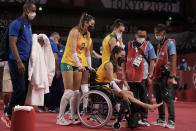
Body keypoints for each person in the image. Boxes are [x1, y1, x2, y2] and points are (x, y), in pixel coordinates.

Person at [1, 2, 36, 128]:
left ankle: (16, 116)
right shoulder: (16, 24)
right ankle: (7, 113)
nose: (34, 13)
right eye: (32, 10)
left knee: (24, 90)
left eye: (35, 11)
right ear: (26, 10)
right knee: (19, 89)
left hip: (25, 61)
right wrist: (19, 62)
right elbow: (12, 44)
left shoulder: (28, 25)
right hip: (16, 61)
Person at [57, 12, 95, 126]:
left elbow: (87, 51)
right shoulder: (75, 31)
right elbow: (73, 50)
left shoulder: (87, 34)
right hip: (68, 62)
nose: (92, 27)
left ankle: (73, 116)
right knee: (68, 91)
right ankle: (60, 117)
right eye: (91, 24)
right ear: (85, 23)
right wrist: (79, 64)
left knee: (76, 92)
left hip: (79, 64)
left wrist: (89, 65)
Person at [96, 46, 162, 111]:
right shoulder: (109, 64)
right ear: (115, 55)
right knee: (126, 94)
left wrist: (121, 81)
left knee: (130, 93)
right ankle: (146, 107)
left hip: (105, 86)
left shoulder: (112, 64)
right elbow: (112, 82)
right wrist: (122, 92)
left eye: (124, 56)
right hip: (100, 88)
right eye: (121, 55)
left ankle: (134, 111)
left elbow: (111, 79)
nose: (123, 58)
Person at [123, 26, 156, 126]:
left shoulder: (149, 46)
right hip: (130, 78)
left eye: (144, 36)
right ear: (136, 35)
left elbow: (152, 62)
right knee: (132, 99)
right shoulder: (128, 45)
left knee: (144, 98)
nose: (142, 37)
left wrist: (150, 76)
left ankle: (144, 118)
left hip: (143, 78)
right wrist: (124, 76)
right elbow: (124, 61)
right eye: (140, 35)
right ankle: (133, 119)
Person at [151, 24, 177, 129]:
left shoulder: (170, 43)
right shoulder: (159, 44)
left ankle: (171, 121)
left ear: (163, 33)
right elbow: (158, 60)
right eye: (155, 33)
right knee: (158, 97)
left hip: (166, 75)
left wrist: (171, 76)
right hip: (158, 74)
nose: (156, 35)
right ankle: (161, 118)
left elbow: (173, 59)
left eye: (158, 33)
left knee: (168, 98)